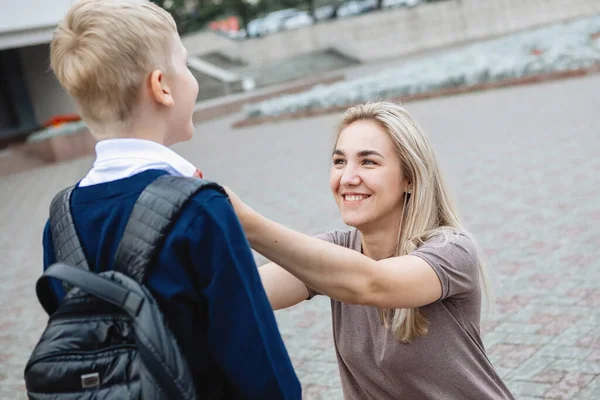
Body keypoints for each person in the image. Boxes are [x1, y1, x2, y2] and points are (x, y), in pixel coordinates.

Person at [41, 1, 301, 398]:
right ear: (161, 86)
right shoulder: (200, 211)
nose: (192, 79)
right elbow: (256, 358)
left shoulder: (60, 221)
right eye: (186, 64)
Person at [225, 101, 515, 399]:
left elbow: (371, 284)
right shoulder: (336, 252)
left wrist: (245, 223)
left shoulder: (451, 249)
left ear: (410, 179)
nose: (347, 177)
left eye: (368, 162)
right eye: (339, 161)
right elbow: (239, 292)